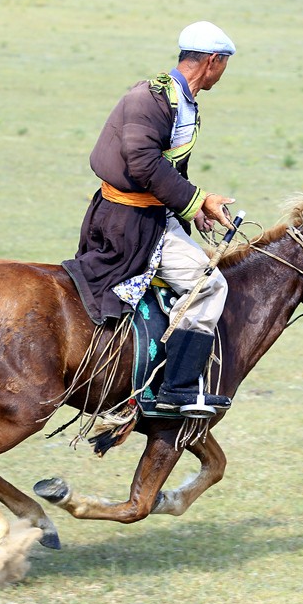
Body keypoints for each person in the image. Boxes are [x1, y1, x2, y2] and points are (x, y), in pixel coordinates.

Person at [62, 21, 237, 413]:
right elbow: (142, 164)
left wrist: (193, 208)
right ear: (213, 61)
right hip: (128, 221)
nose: (224, 72)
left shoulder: (182, 101)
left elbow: (170, 170)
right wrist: (196, 201)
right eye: (225, 64)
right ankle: (176, 389)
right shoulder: (149, 100)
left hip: (154, 214)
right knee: (210, 286)